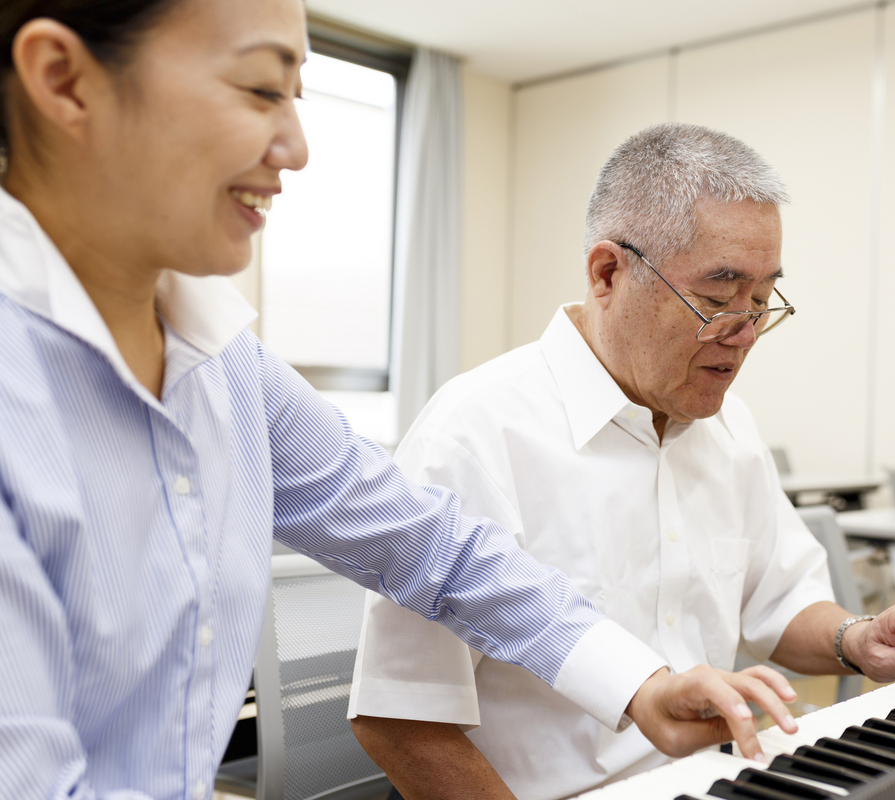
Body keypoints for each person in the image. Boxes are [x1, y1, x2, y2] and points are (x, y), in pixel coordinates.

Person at [0, 5, 806, 800]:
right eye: (259, 90)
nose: (297, 149)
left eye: (295, 98)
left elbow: (432, 547)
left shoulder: (225, 363)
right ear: (64, 81)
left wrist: (639, 685)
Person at [349, 123, 895, 800]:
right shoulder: (476, 433)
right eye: (717, 300)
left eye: (761, 301)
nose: (744, 335)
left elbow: (779, 602)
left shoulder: (729, 428)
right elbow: (399, 718)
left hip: (715, 777)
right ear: (607, 273)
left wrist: (857, 639)